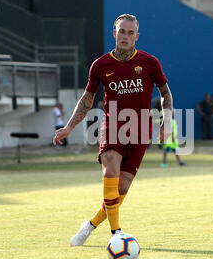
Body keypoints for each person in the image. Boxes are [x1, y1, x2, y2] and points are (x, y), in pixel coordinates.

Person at [53, 13, 173, 246]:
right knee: (110, 170)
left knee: (122, 187)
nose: (125, 36)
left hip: (140, 128)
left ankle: (90, 224)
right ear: (114, 34)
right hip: (113, 125)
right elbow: (87, 100)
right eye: (121, 31)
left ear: (136, 36)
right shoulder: (100, 65)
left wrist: (166, 121)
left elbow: (165, 93)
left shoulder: (150, 62)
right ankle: (116, 233)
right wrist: (68, 127)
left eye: (130, 32)